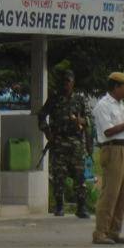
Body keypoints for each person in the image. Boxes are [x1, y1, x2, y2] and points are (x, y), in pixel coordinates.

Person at [92, 72, 124, 245]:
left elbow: (123, 129)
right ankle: (100, 232)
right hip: (112, 149)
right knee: (110, 193)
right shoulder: (103, 105)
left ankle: (114, 231)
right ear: (116, 87)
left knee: (122, 194)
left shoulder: (121, 105)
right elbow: (108, 131)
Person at [37, 69, 91, 218]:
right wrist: (47, 132)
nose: (65, 84)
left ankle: (81, 207)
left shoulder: (80, 100)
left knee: (80, 176)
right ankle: (59, 206)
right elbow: (42, 115)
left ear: (73, 83)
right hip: (59, 141)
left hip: (76, 142)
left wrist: (80, 121)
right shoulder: (54, 98)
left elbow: (88, 120)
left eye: (68, 81)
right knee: (59, 175)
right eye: (64, 82)